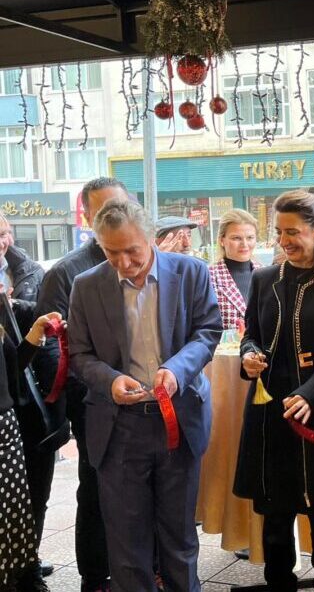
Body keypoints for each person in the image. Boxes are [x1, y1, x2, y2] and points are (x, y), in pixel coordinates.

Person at [67, 199, 223, 592]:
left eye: (132, 250)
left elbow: (208, 330)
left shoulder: (190, 272)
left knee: (179, 538)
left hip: (179, 422)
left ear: (151, 238)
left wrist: (178, 370)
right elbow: (80, 355)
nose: (123, 262)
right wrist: (110, 381)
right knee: (126, 543)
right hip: (119, 427)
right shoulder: (87, 286)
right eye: (110, 252)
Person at [235, 189, 314, 592]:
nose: (284, 241)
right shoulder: (264, 278)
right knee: (274, 506)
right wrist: (249, 357)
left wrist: (312, 393)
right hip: (269, 407)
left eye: (294, 232)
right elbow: (250, 335)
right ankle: (278, 579)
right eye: (279, 232)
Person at [33, 176, 129, 592]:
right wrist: (87, 393)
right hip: (92, 401)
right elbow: (51, 350)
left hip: (144, 397)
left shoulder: (144, 257)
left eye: (120, 207)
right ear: (87, 217)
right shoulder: (67, 272)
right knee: (96, 489)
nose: (114, 217)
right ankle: (95, 577)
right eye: (103, 210)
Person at [0, 213, 63, 592]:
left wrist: (36, 333)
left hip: (7, 421)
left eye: (4, 234)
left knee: (13, 515)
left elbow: (11, 368)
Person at [209, 209, 261, 330]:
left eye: (250, 237)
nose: (244, 244)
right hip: (223, 348)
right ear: (222, 240)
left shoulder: (266, 275)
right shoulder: (208, 277)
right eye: (236, 238)